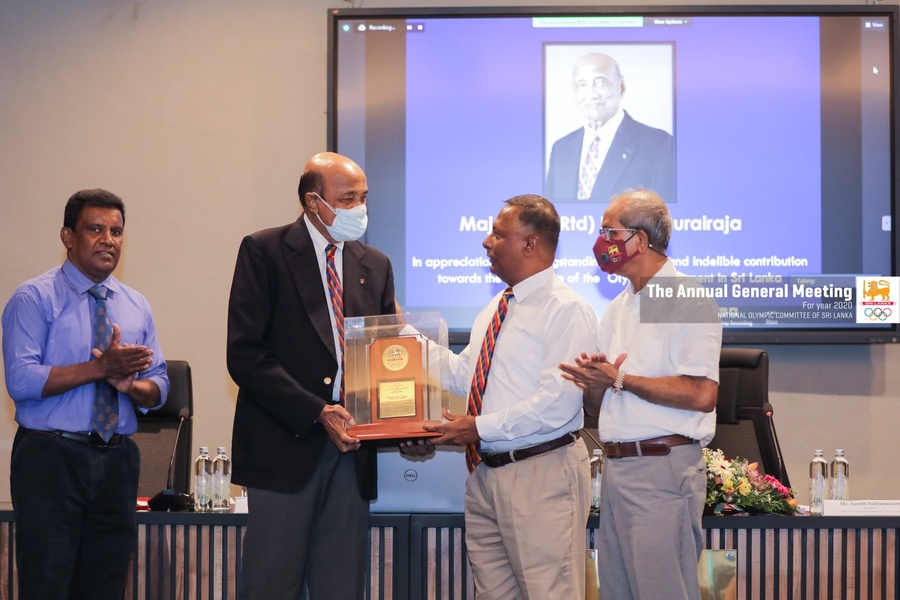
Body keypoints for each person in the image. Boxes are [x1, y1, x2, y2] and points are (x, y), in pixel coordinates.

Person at [226, 151, 396, 600]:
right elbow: (245, 356)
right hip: (284, 447)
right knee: (271, 585)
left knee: (340, 586)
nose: (360, 208)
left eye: (364, 197)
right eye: (348, 199)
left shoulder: (375, 264)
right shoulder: (265, 251)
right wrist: (318, 410)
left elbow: (385, 358)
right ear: (313, 202)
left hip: (352, 452)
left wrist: (406, 420)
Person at [414, 194, 598, 599]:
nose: (486, 242)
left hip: (541, 472)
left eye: (498, 234)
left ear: (530, 244)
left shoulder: (567, 309)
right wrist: (400, 341)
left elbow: (557, 404)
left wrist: (478, 427)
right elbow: (465, 376)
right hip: (486, 474)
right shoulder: (498, 306)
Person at [1, 188, 169, 599]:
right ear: (67, 236)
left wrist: (131, 387)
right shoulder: (34, 298)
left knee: (105, 586)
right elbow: (21, 380)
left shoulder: (136, 304)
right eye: (95, 229)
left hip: (117, 460)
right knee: (47, 584)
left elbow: (161, 386)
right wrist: (99, 369)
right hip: (50, 459)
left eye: (116, 231)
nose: (108, 240)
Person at [559, 189, 722, 600]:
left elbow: (702, 393)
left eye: (608, 232)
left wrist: (620, 378)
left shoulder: (686, 298)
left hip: (662, 467)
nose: (600, 241)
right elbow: (602, 403)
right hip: (617, 469)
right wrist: (594, 382)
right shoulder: (618, 307)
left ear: (641, 240)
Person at [545, 52, 674, 202]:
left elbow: (665, 213)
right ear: (574, 90)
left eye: (600, 82)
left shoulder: (659, 145)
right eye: (582, 84)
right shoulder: (561, 149)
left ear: (621, 85)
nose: (592, 94)